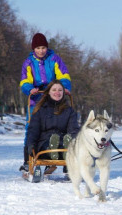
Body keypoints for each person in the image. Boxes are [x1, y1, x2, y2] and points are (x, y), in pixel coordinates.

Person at [19, 32, 72, 171]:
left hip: (53, 96)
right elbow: (25, 81)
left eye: (43, 47)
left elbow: (64, 75)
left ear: (47, 48)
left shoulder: (54, 59)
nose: (41, 51)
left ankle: (56, 155)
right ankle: (27, 160)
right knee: (32, 128)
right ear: (33, 49)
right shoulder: (28, 63)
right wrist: (30, 88)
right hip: (36, 99)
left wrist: (64, 87)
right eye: (38, 48)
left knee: (57, 125)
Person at [26, 80, 79, 174]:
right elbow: (33, 130)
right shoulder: (40, 110)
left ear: (63, 93)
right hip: (44, 141)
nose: (57, 93)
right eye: (54, 90)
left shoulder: (69, 111)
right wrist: (31, 145)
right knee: (50, 142)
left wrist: (75, 142)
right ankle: (53, 151)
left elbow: (73, 130)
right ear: (48, 92)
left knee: (68, 140)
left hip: (63, 141)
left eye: (60, 90)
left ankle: (65, 152)